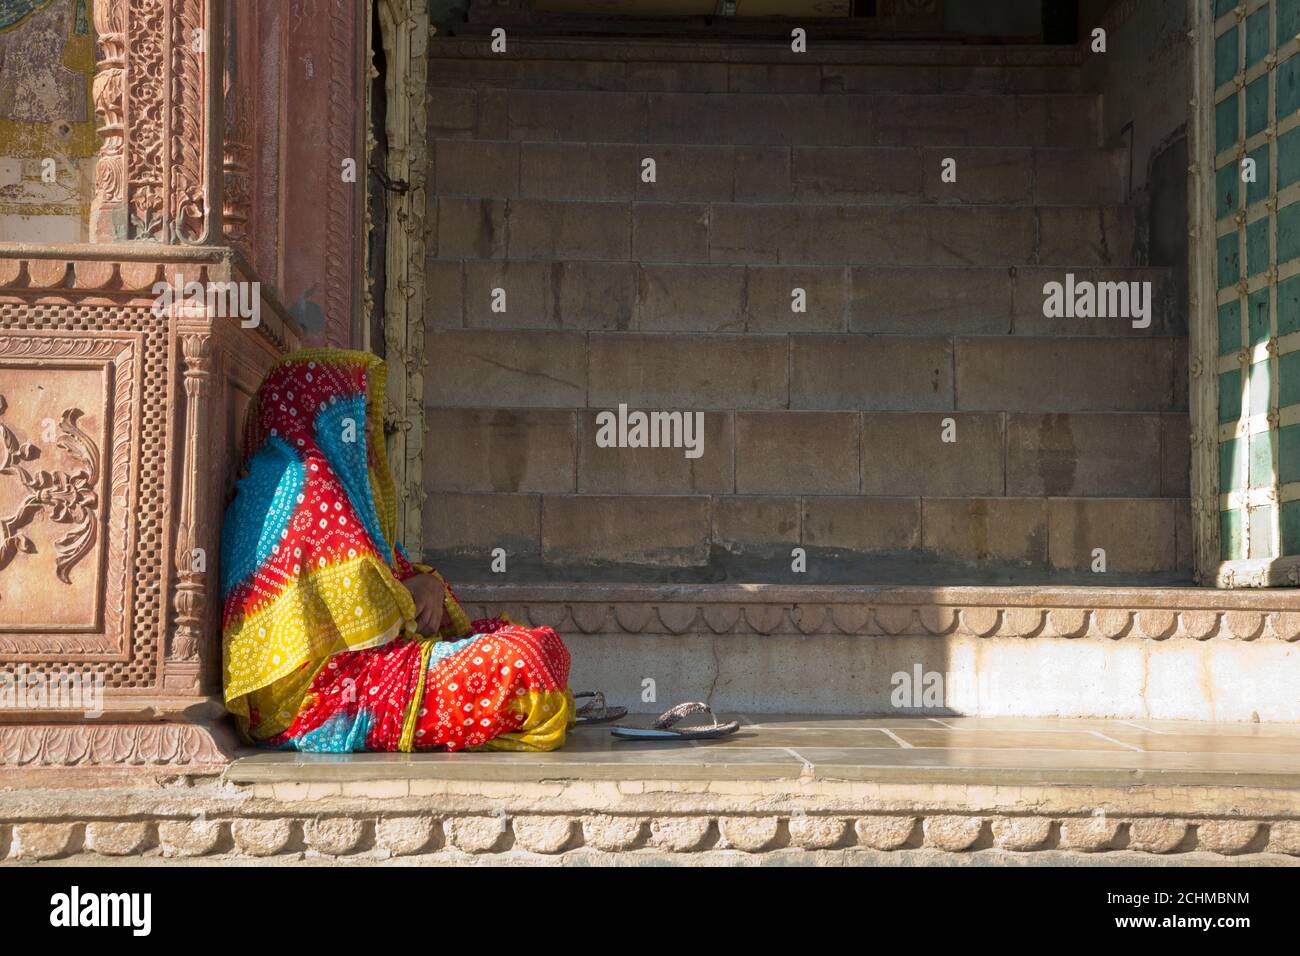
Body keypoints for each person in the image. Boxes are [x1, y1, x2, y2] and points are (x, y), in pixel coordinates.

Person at [220, 348, 573, 752]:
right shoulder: (300, 486)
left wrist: (427, 587)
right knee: (525, 663)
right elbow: (366, 612)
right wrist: (414, 594)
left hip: (363, 674)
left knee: (535, 646)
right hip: (326, 699)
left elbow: (388, 574)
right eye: (357, 409)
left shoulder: (323, 479)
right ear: (319, 411)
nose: (371, 426)